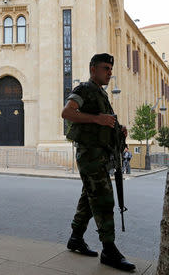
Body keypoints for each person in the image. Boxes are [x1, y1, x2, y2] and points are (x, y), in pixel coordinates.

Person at [61, 53, 136, 272]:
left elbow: (104, 120)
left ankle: (76, 237)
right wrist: (97, 119)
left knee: (89, 196)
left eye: (111, 69)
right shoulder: (84, 89)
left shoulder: (101, 94)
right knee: (103, 199)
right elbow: (67, 112)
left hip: (100, 155)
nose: (109, 72)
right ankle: (109, 250)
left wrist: (117, 127)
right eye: (105, 68)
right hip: (89, 155)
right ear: (93, 69)